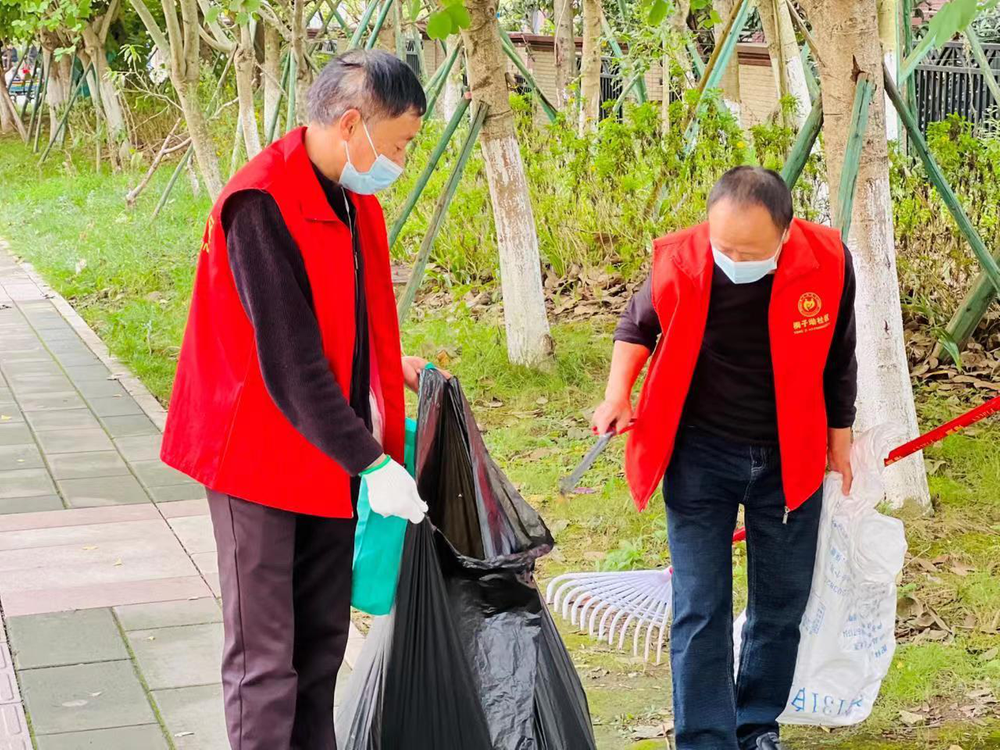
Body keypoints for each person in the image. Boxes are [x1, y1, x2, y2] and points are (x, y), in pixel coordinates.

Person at [160, 50, 436, 750]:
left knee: (320, 644)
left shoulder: (345, 190)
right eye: (399, 143)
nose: (400, 160)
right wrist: (373, 463)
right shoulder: (261, 203)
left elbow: (344, 311)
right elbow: (289, 361)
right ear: (352, 125)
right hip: (255, 452)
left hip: (323, 450)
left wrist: (386, 369)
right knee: (265, 658)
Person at [592, 167, 858, 750]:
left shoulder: (829, 262)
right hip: (701, 453)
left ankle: (756, 724)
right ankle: (705, 737)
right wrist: (617, 393)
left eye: (748, 251)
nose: (732, 259)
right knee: (700, 604)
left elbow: (840, 354)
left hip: (791, 454)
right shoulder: (684, 259)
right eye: (724, 247)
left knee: (780, 605)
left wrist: (841, 435)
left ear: (785, 235)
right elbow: (637, 326)